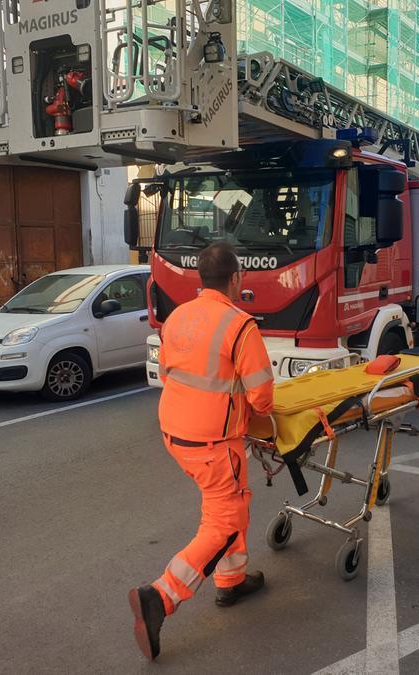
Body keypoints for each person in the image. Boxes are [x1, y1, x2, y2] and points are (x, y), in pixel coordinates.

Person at [129, 242, 275, 661]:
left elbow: (172, 372)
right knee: (225, 521)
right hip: (213, 443)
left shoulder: (178, 316)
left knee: (231, 502)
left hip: (176, 433)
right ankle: (161, 597)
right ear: (236, 279)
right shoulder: (239, 325)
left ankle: (231, 581)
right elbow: (263, 395)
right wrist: (250, 408)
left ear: (201, 278)